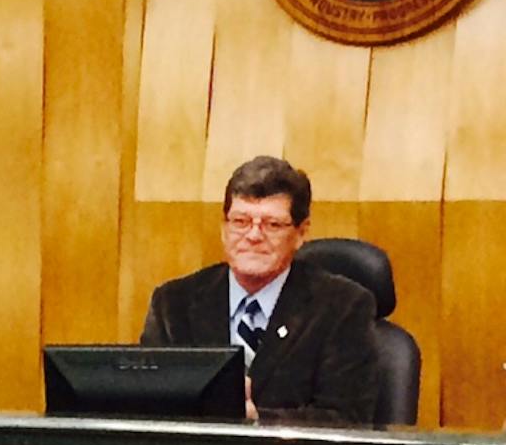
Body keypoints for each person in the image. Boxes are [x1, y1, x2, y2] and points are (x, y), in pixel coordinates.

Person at [140, 155, 379, 425]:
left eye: (272, 225)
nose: (253, 236)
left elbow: (348, 419)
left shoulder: (342, 307)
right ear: (224, 228)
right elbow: (149, 407)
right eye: (240, 221)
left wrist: (258, 419)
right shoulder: (173, 304)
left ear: (301, 233)